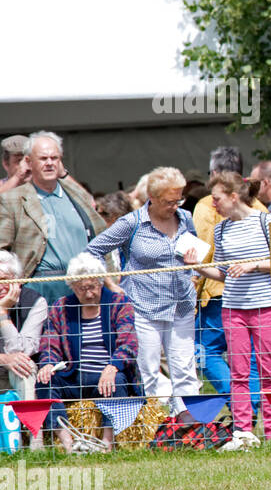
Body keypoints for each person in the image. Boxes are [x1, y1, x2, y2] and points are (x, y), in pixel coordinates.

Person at [85, 166, 201, 411]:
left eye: (180, 198)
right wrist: (110, 285)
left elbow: (194, 254)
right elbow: (92, 250)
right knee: (147, 371)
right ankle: (150, 426)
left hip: (181, 307)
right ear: (153, 199)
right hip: (143, 309)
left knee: (185, 370)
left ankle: (188, 425)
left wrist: (194, 279)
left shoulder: (185, 218)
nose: (176, 205)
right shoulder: (132, 223)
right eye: (170, 201)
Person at [188, 173, 271, 449]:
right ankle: (243, 431)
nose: (212, 204)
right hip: (232, 307)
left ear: (233, 196)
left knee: (268, 370)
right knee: (238, 372)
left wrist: (253, 265)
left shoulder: (266, 221)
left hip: (264, 305)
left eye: (216, 198)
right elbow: (225, 274)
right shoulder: (221, 230)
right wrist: (198, 267)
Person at [35, 253, 138, 452]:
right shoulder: (61, 307)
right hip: (75, 375)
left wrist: (113, 366)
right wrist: (48, 363)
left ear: (101, 283)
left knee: (116, 382)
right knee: (44, 381)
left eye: (93, 287)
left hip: (106, 374)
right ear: (73, 287)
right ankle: (68, 444)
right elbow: (50, 342)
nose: (89, 294)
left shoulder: (119, 303)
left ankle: (107, 444)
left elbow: (129, 343)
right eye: (82, 289)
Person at [192, 146, 264, 402]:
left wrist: (194, 281)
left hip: (218, 295)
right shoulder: (261, 207)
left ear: (214, 173)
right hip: (257, 296)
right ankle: (252, 403)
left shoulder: (204, 205)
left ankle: (238, 399)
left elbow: (203, 247)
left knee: (204, 351)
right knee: (251, 357)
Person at [0, 132, 105, 306]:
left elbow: (96, 220)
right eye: (43, 158)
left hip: (84, 285)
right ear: (29, 162)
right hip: (40, 287)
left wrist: (111, 281)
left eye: (54, 158)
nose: (49, 163)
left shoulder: (77, 196)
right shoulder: (12, 199)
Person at [0, 249, 47, 400]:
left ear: (17, 280)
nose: (0, 287)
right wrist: (4, 359)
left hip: (15, 372)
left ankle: (27, 423)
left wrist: (3, 314)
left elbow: (23, 350)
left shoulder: (35, 302)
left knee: (25, 366)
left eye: (4, 280)